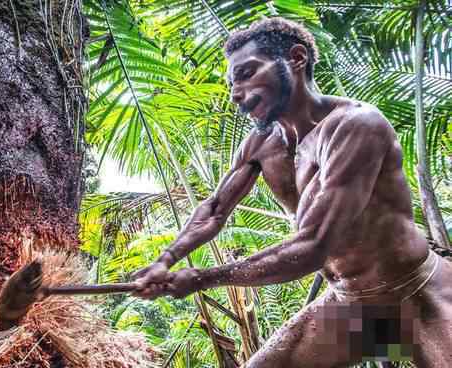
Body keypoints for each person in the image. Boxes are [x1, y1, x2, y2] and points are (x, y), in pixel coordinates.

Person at [131, 17, 452, 367]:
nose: (236, 93)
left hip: (417, 293)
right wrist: (165, 260)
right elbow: (214, 211)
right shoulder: (260, 144)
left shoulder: (356, 126)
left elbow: (313, 246)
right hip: (351, 303)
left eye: (247, 73)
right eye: (231, 83)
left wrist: (202, 279)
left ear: (296, 59)